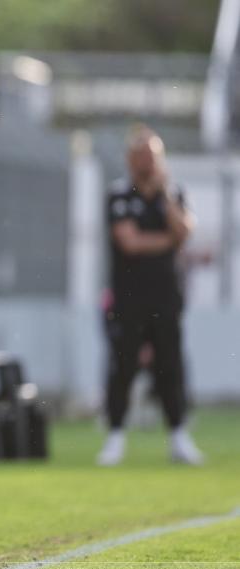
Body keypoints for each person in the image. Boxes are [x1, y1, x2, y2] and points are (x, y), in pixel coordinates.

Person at [98, 125, 203, 466]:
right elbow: (130, 241)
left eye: (152, 156)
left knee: (170, 366)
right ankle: (115, 436)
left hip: (166, 297)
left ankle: (178, 436)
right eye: (141, 155)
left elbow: (185, 231)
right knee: (123, 365)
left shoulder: (172, 194)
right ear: (130, 159)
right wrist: (167, 241)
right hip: (129, 299)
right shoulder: (119, 195)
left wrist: (166, 201)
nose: (147, 162)